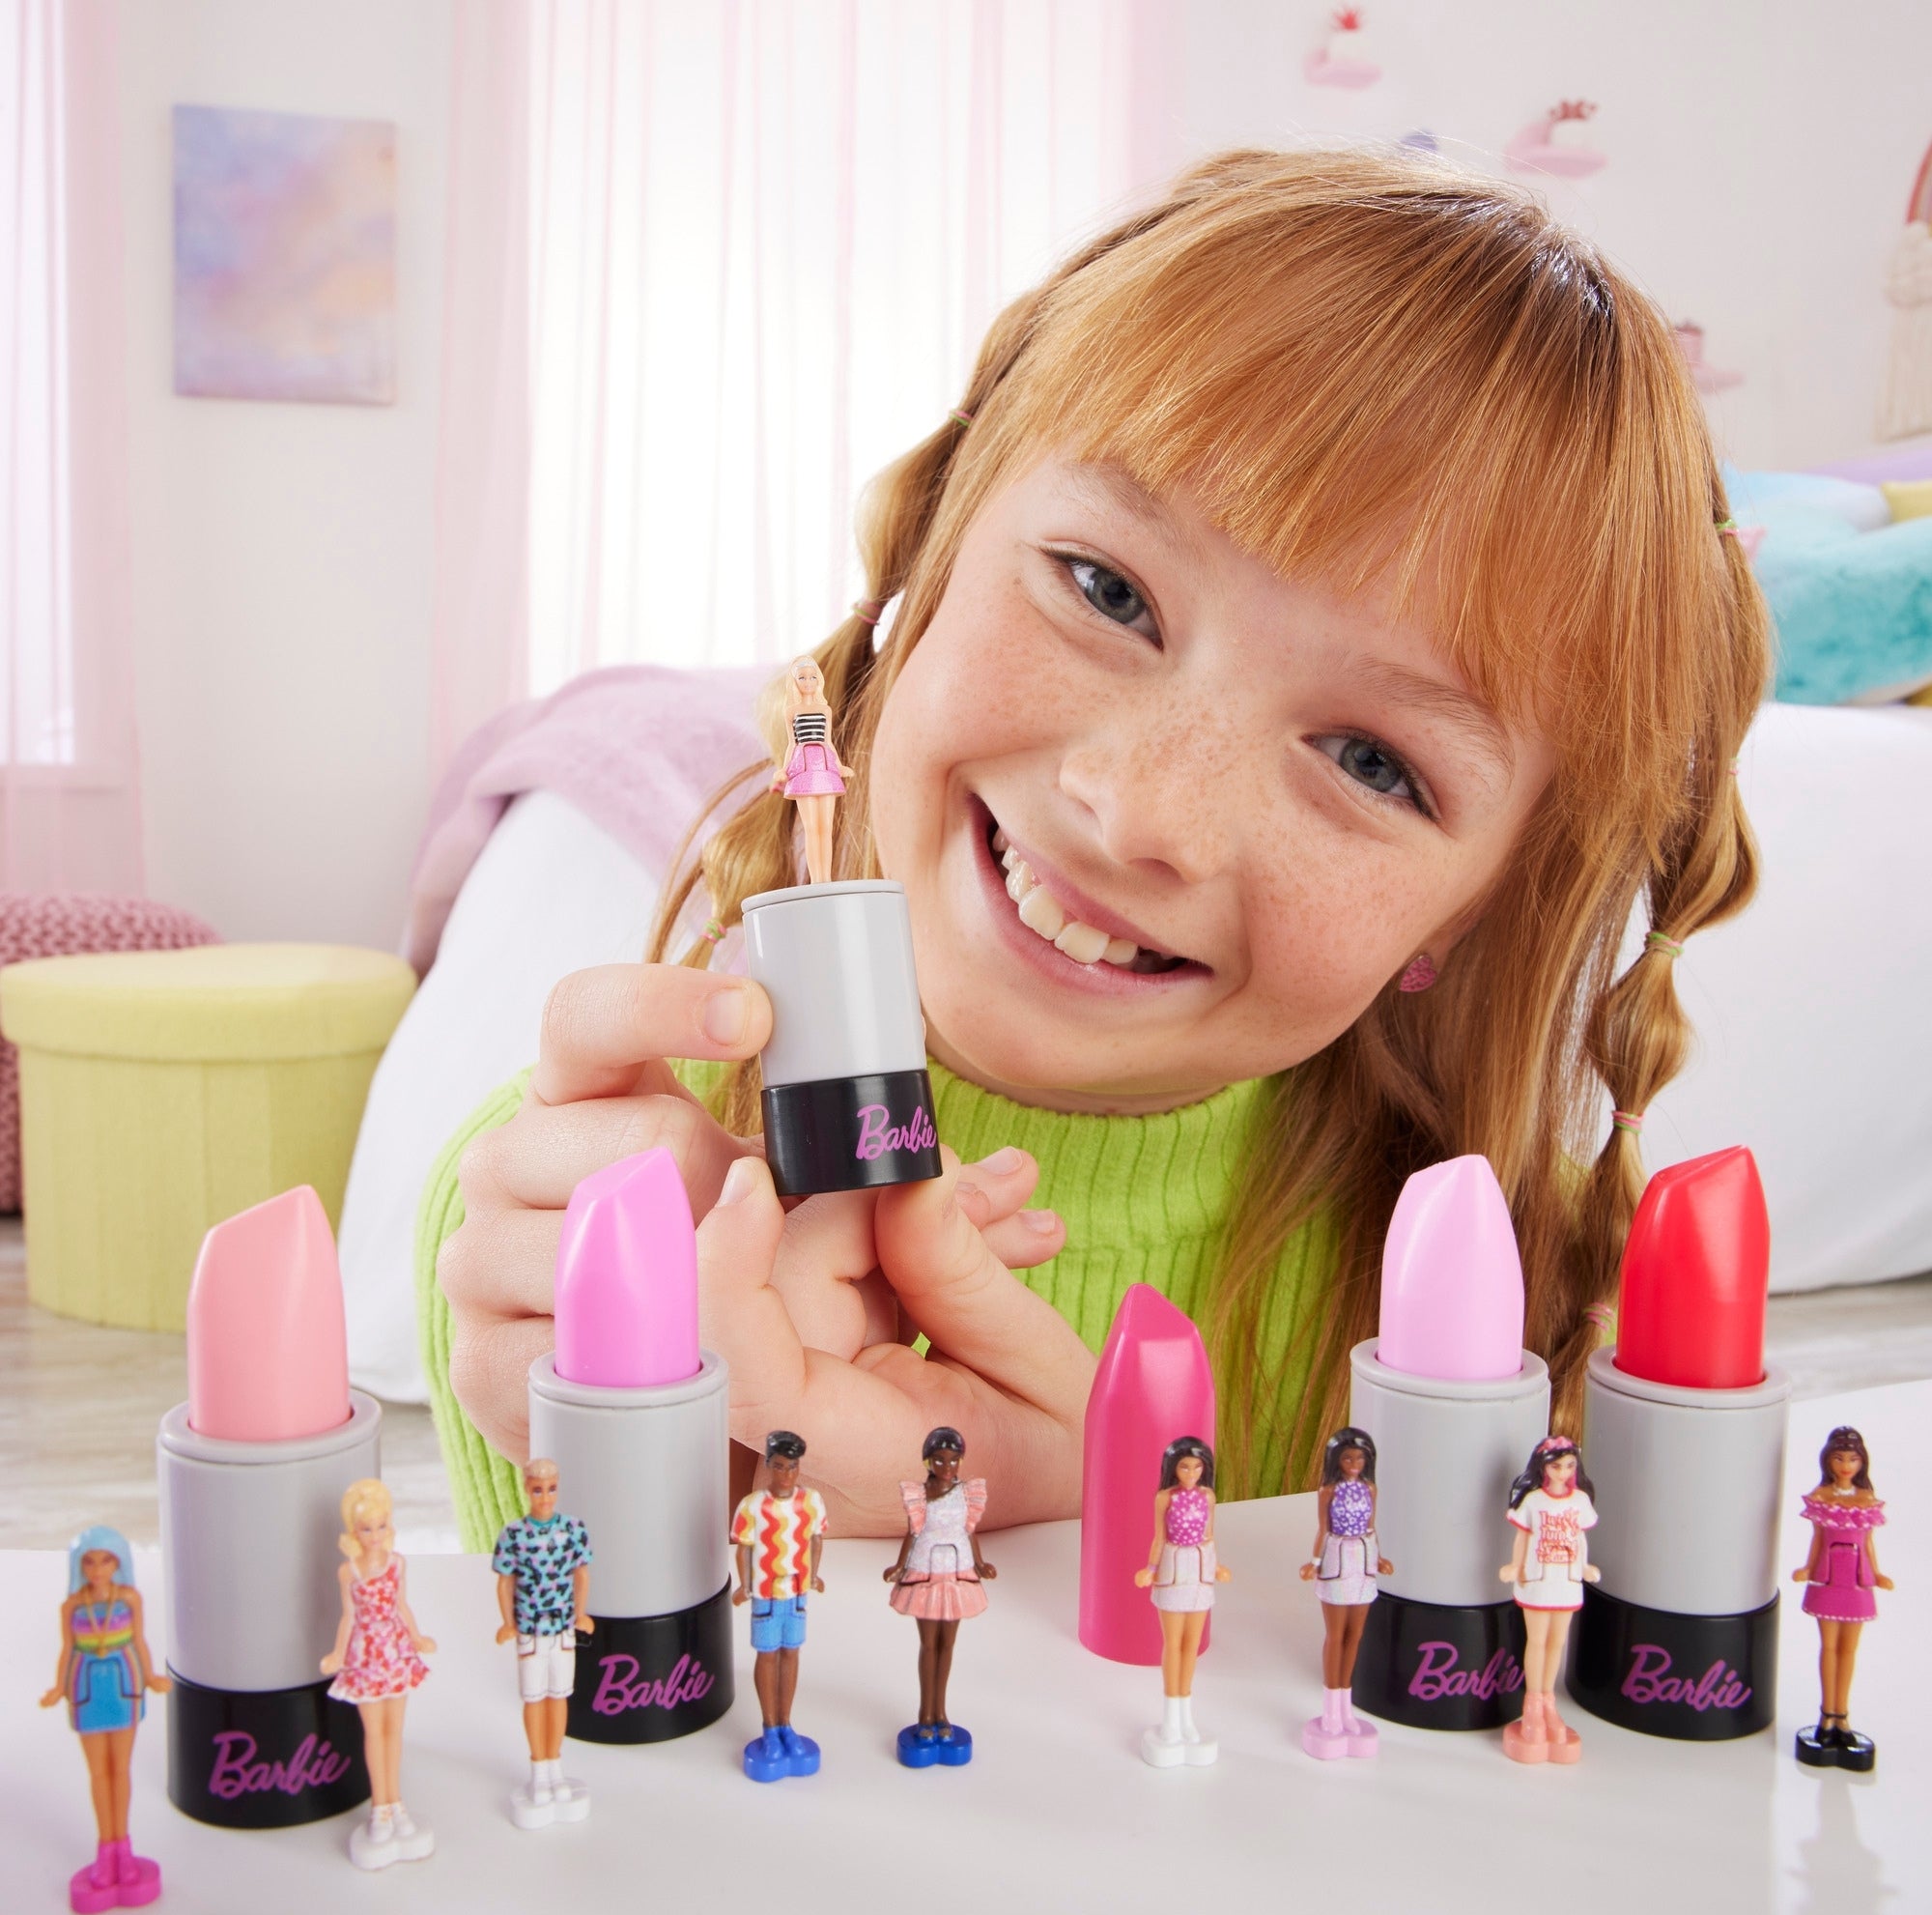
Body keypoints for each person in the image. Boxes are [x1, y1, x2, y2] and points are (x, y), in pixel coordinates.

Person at [425, 145, 1771, 1545]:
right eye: (1108, 589)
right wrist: (668, 1507)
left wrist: (1091, 1531)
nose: (1142, 811)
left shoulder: (1509, 1316)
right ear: (938, 538)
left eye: (1372, 762)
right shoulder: (566, 1220)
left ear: (1470, 910)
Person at [40, 1527, 168, 1915]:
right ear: (79, 1567)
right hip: (86, 1688)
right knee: (98, 1772)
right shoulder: (72, 1606)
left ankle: (123, 1849)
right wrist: (59, 1687)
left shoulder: (129, 1599)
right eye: (90, 1562)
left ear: (119, 1563)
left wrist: (150, 1676)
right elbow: (67, 1649)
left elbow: (140, 1641)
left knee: (121, 1769)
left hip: (123, 1684)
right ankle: (105, 1849)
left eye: (106, 1561)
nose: (98, 1570)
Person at [323, 1478, 437, 1868]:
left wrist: (417, 1638)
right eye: (367, 1528)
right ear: (354, 1532)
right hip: (366, 1655)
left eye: (381, 1526)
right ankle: (380, 1807)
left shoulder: (397, 1563)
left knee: (394, 1729)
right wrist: (337, 1654)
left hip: (395, 1650)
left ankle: (396, 1802)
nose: (375, 1535)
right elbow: (348, 1617)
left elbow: (402, 1605)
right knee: (373, 1731)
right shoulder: (349, 1571)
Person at [884, 1426, 996, 1765]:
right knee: (929, 1644)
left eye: (953, 1460)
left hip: (957, 1569)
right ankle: (925, 1713)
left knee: (948, 1644)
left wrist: (980, 1563)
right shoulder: (919, 1495)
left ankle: (941, 1712)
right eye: (940, 1460)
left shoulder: (966, 1494)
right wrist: (899, 1566)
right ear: (928, 1462)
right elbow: (912, 1533)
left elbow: (969, 1531)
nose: (947, 1467)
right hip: (925, 1570)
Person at [492, 1457, 594, 1824]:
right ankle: (539, 1767)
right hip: (531, 1631)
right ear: (527, 1489)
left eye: (551, 1489)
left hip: (562, 1629)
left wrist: (580, 1614)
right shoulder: (514, 1535)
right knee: (534, 1698)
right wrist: (508, 1622)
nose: (546, 1496)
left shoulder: (572, 1530)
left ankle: (555, 1766)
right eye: (538, 1490)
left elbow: (581, 1574)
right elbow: (505, 1582)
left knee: (559, 1696)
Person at [1792, 1425, 1892, 1770]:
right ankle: (1827, 1716)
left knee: (1849, 1649)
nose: (1846, 1465)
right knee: (1829, 1646)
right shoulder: (1822, 1497)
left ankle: (1842, 1716)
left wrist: (1877, 1573)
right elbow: (1818, 1538)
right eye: (1839, 1458)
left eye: (1852, 1459)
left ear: (1862, 1462)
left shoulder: (1866, 1499)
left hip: (1857, 1580)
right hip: (1829, 1575)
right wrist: (1808, 1567)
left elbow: (1868, 1542)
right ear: (1828, 1461)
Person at [730, 1430, 828, 1781]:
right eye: (780, 1466)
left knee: (791, 1653)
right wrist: (745, 1585)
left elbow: (816, 1539)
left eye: (792, 1467)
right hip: (766, 1593)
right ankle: (769, 1727)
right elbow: (743, 1547)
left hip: (797, 1591)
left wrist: (814, 1576)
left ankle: (786, 1724)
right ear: (770, 1466)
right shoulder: (753, 1506)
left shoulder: (811, 1502)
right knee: (767, 1655)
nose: (786, 1474)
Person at [1499, 1436, 1599, 1765]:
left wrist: (1585, 1567)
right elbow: (1523, 1537)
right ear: (1543, 1468)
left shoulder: (1580, 1500)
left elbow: (1579, 1537)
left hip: (1567, 1580)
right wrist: (1515, 1565)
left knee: (1558, 1642)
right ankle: (1532, 1703)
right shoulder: (1534, 1501)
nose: (1564, 1472)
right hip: (1538, 1578)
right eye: (1557, 1466)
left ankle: (1548, 1700)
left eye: (1569, 1466)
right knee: (1538, 1640)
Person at [1133, 1436, 1230, 1767]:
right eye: (1184, 1467)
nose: (1190, 1473)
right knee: (1173, 1643)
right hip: (1173, 1568)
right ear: (1173, 1468)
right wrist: (1150, 1570)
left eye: (1197, 1467)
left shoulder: (1207, 1497)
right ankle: (1170, 1715)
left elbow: (1209, 1535)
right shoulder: (1165, 1497)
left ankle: (1186, 1713)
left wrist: (1216, 1565)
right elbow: (1159, 1538)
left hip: (1200, 1569)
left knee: (1192, 1645)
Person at [1298, 1426, 1394, 1759]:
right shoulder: (1328, 1491)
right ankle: (1330, 1708)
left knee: (1355, 1637)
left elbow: (1371, 1527)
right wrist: (1314, 1562)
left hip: (1363, 1560)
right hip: (1337, 1558)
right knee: (1336, 1635)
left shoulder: (1370, 1489)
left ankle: (1345, 1707)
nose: (1354, 1464)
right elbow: (1323, 1529)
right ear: (1336, 1461)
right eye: (1347, 1458)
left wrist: (1378, 1558)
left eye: (1360, 1458)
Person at [770, 653, 858, 885]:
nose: (808, 682)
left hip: (824, 765)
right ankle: (816, 879)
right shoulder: (791, 711)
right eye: (802, 678)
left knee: (825, 827)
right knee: (811, 828)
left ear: (818, 679)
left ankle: (825, 878)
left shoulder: (824, 710)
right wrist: (784, 769)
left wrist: (839, 765)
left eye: (812, 677)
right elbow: (792, 743)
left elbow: (828, 741)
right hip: (803, 766)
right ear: (795, 682)